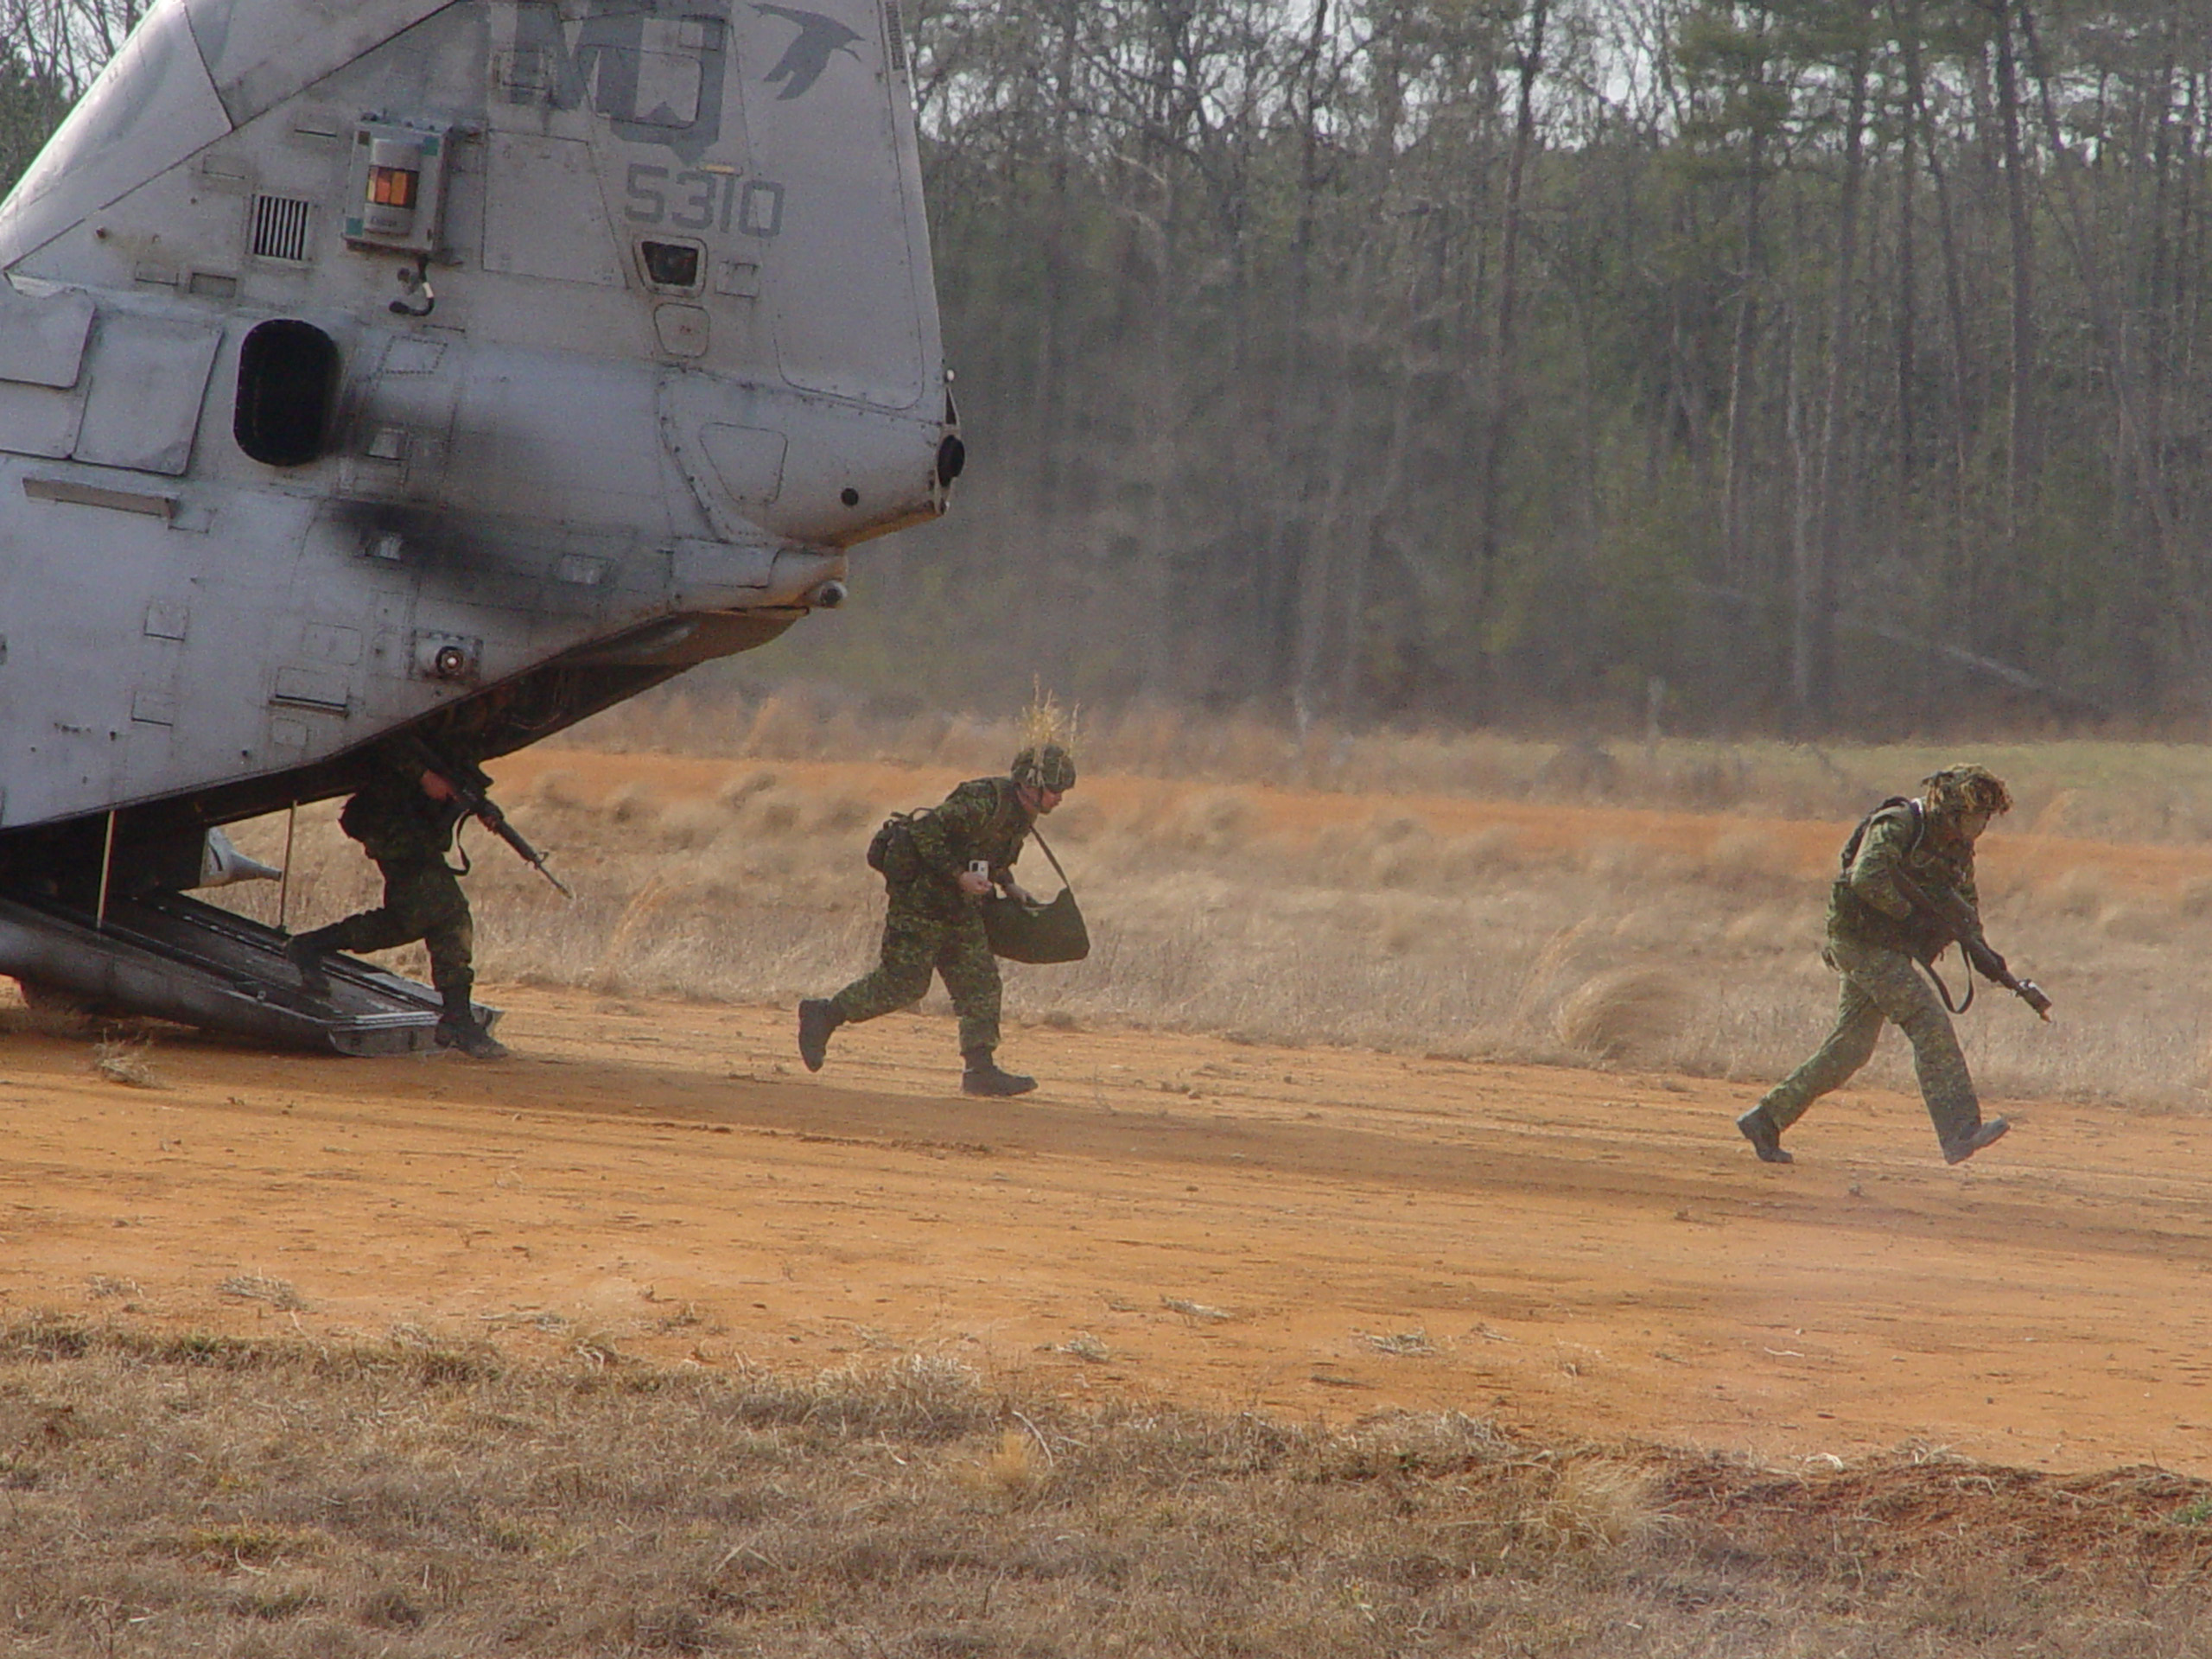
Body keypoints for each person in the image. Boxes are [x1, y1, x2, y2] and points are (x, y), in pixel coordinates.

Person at [1737, 764, 2019, 1167]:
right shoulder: (1900, 824)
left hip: (1887, 948)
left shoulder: (1956, 848)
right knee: (1927, 1022)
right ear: (1953, 811)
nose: (1982, 826)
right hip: (1860, 942)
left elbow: (1965, 906)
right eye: (1977, 816)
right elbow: (1865, 877)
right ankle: (1960, 1131)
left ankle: (1766, 1119)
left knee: (1850, 1049)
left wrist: (1983, 952)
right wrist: (1911, 917)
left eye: (1986, 818)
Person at [798, 741, 1074, 1095]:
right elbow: (924, 833)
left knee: (980, 983)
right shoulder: (982, 801)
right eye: (1054, 790)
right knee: (904, 983)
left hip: (960, 906)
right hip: (920, 901)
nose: (1059, 798)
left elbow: (988, 853)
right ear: (1030, 785)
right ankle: (824, 1015)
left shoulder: (1022, 813)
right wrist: (959, 876)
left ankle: (980, 1070)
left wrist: (1008, 884)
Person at [286, 747, 507, 1058]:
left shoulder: (466, 732)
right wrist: (424, 775)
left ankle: (310, 945)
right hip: (389, 822)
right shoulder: (431, 730)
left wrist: (477, 805)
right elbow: (387, 744)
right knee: (443, 914)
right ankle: (457, 1020)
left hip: (411, 829)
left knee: (417, 920)